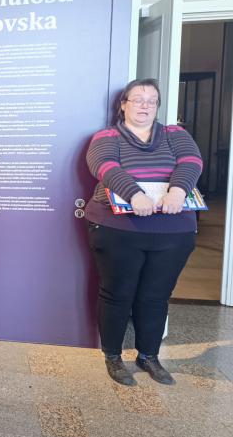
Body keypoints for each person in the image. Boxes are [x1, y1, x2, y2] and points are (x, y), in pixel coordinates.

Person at [85, 78, 202, 387]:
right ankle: (113, 356)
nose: (145, 105)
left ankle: (148, 356)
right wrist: (134, 194)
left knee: (156, 295)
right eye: (138, 99)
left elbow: (191, 162)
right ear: (123, 104)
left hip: (173, 231)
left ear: (157, 106)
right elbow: (104, 166)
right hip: (118, 229)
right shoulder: (107, 136)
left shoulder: (175, 134)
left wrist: (178, 191)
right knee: (117, 293)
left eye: (151, 100)